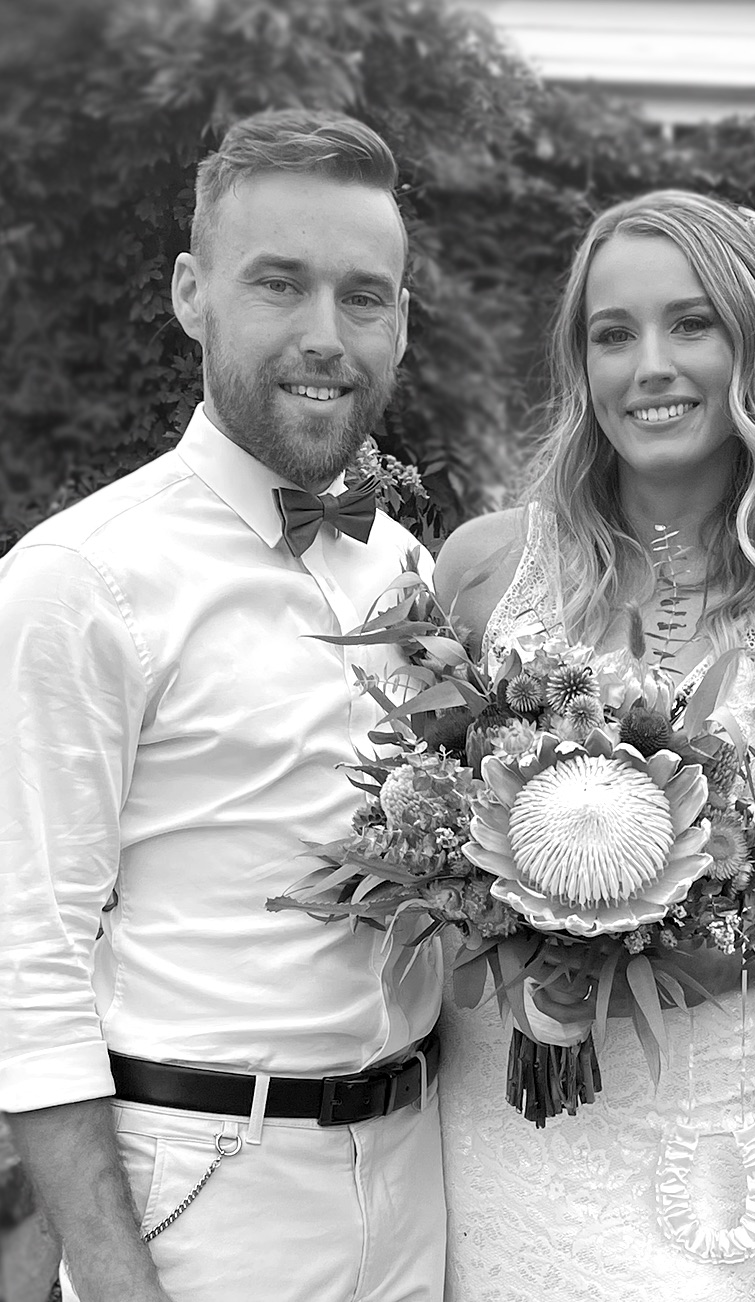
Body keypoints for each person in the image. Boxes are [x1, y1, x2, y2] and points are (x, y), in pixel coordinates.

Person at [0, 109, 446, 1302]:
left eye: (363, 296)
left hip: (419, 1175)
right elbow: (26, 966)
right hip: (203, 1196)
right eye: (279, 284)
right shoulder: (80, 580)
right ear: (192, 295)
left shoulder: (407, 570)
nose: (325, 336)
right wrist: (113, 1278)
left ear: (402, 320)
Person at [433, 189, 755, 1301]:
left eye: (691, 324)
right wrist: (506, 938)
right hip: (497, 1124)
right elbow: (436, 826)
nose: (651, 367)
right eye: (613, 333)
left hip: (697, 1124)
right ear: (580, 362)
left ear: (753, 346)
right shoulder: (485, 570)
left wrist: (600, 955)